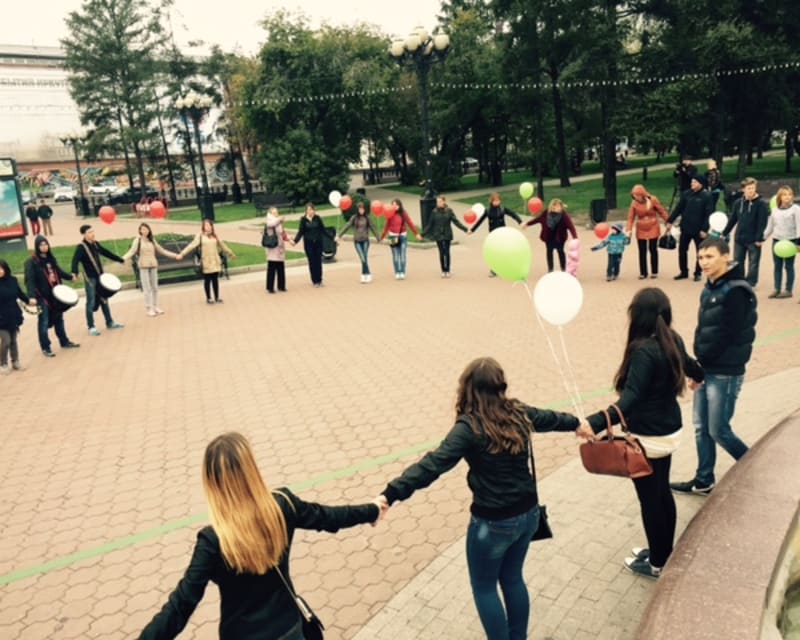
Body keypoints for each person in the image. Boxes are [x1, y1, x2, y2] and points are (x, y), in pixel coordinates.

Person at [377, 357, 580, 640]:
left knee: (484, 588)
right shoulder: (518, 412)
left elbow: (433, 464)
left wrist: (390, 493)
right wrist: (578, 424)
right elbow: (550, 418)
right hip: (529, 515)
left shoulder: (469, 427)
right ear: (500, 386)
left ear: (468, 388)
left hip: (493, 524)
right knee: (512, 578)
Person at [139, 432, 383, 640]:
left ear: (211, 484)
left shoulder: (213, 541)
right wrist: (372, 510)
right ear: (251, 470)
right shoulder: (282, 506)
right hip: (289, 629)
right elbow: (329, 517)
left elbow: (181, 605)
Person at [577, 288, 703, 579]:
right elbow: (691, 365)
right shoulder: (672, 338)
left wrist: (594, 423)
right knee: (661, 492)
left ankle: (658, 562)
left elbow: (630, 399)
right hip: (669, 431)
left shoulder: (643, 350)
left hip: (648, 437)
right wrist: (699, 377)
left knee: (651, 500)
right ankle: (664, 553)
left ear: (637, 316)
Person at [671, 237, 757, 496]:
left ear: (725, 256)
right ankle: (704, 479)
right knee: (701, 428)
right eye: (700, 257)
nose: (704, 262)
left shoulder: (737, 291)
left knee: (718, 430)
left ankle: (758, 468)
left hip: (725, 372)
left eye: (709, 256)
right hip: (707, 368)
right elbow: (705, 329)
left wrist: (702, 365)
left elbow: (729, 334)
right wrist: (698, 370)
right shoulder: (710, 288)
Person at [24, 235, 80, 357]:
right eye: (41, 245)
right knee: (44, 321)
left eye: (46, 244)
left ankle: (64, 341)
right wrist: (31, 296)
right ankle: (46, 347)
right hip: (42, 297)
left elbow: (59, 272)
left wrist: (70, 277)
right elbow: (29, 280)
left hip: (55, 294)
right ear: (37, 247)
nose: (44, 247)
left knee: (59, 319)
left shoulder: (51, 259)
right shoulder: (32, 262)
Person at [71, 224, 125, 335]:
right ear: (84, 234)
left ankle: (110, 322)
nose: (92, 234)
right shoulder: (81, 247)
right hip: (90, 279)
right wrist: (74, 273)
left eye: (93, 231)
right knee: (90, 302)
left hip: (100, 277)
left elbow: (106, 252)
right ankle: (91, 327)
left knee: (104, 299)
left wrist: (119, 259)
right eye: (89, 232)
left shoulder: (95, 244)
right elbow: (75, 261)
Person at [721, 177, 769, 287]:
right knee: (738, 261)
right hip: (739, 238)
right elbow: (733, 220)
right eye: (749, 188)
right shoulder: (738, 203)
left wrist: (759, 238)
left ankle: (751, 282)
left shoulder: (761, 204)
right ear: (743, 189)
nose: (751, 190)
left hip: (753, 239)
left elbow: (762, 223)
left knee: (753, 262)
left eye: (753, 188)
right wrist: (724, 233)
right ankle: (740, 280)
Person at [122, 223, 178, 316]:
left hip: (153, 265)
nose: (145, 231)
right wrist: (122, 259)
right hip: (143, 265)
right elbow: (131, 251)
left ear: (149, 230)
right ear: (140, 231)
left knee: (155, 287)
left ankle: (155, 306)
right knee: (147, 288)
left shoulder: (152, 240)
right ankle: (149, 308)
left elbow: (162, 250)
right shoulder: (137, 240)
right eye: (143, 229)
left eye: (146, 229)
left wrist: (175, 255)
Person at [177, 219, 236, 304]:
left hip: (214, 260)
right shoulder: (200, 236)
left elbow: (223, 245)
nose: (208, 227)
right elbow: (191, 245)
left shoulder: (214, 235)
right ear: (203, 227)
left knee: (215, 279)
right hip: (206, 261)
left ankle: (217, 297)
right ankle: (209, 298)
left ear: (212, 226)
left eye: (209, 225)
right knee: (207, 280)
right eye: (206, 225)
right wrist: (182, 254)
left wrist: (231, 253)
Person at [667, 176, 712, 281]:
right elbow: (678, 208)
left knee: (700, 252)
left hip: (699, 229)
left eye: (694, 182)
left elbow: (708, 214)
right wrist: (670, 221)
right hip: (685, 227)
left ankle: (698, 273)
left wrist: (704, 229)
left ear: (700, 184)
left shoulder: (706, 196)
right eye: (692, 182)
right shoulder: (686, 194)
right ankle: (683, 272)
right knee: (682, 250)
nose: (692, 184)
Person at [471, 193, 522, 276]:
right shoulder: (488, 210)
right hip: (493, 234)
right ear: (491, 201)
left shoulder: (502, 209)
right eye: (495, 201)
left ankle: (504, 267)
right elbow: (480, 220)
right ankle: (493, 269)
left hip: (502, 233)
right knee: (494, 252)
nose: (497, 202)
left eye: (498, 200)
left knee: (503, 251)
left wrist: (520, 222)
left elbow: (513, 214)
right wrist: (472, 230)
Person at [521, 198, 578, 272]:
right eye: (554, 206)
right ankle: (550, 269)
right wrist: (527, 224)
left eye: (558, 206)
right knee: (549, 251)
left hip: (560, 237)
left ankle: (563, 269)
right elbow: (538, 219)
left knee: (560, 251)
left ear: (561, 207)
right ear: (551, 206)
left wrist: (575, 237)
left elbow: (571, 226)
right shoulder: (546, 213)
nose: (556, 207)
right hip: (549, 236)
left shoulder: (563, 215)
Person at [763, 186, 800, 299]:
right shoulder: (775, 210)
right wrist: (762, 238)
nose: (787, 197)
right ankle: (777, 289)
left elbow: (799, 225)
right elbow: (770, 227)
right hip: (777, 241)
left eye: (789, 194)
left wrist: (798, 241)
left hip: (790, 241)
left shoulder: (796, 209)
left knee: (789, 266)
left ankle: (788, 290)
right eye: (784, 195)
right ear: (780, 197)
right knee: (777, 266)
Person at [626, 184, 669, 279]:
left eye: (637, 195)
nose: (636, 197)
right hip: (641, 227)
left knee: (653, 249)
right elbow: (630, 218)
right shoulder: (634, 203)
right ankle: (643, 272)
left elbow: (661, 211)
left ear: (642, 194)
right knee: (642, 250)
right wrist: (628, 230)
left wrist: (668, 221)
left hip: (653, 225)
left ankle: (654, 271)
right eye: (634, 196)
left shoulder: (653, 200)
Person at [423, 195, 471, 277]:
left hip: (447, 233)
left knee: (447, 252)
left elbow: (456, 222)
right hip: (438, 234)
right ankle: (443, 270)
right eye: (437, 202)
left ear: (444, 202)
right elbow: (430, 225)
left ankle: (448, 270)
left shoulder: (449, 211)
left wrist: (466, 229)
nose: (438, 203)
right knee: (441, 252)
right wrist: (422, 234)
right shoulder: (434, 212)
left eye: (440, 201)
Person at [0, 259, 32, 373]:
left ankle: (15, 362)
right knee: (6, 340)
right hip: (1, 317)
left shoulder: (13, 280)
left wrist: (28, 300)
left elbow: (19, 293)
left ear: (5, 268)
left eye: (1, 268)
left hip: (13, 314)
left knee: (13, 340)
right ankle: (3, 364)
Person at [336, 201, 381, 283]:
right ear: (357, 210)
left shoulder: (367, 218)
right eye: (360, 209)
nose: (361, 211)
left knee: (364, 257)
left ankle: (364, 275)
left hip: (365, 241)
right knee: (362, 258)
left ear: (364, 209)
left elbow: (373, 227)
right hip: (357, 241)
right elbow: (347, 226)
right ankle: (367, 274)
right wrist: (339, 235)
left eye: (362, 209)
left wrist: (378, 237)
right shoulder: (354, 218)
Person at [379, 198, 422, 280]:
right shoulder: (390, 214)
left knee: (402, 255)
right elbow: (386, 226)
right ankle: (397, 272)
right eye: (393, 205)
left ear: (399, 205)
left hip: (402, 236)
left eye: (396, 205)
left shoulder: (404, 213)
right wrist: (382, 237)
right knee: (395, 256)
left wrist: (416, 233)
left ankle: (402, 272)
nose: (395, 206)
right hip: (393, 237)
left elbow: (410, 223)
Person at [290, 203, 326, 287]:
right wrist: (295, 241)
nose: (310, 211)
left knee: (318, 261)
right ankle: (315, 281)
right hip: (309, 244)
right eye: (308, 210)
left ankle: (320, 279)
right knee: (312, 262)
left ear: (314, 210)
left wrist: (333, 238)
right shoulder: (303, 220)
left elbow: (323, 230)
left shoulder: (317, 218)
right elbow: (300, 232)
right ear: (306, 211)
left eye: (311, 209)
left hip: (318, 243)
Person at [264, 207, 289, 293]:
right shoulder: (269, 221)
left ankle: (281, 286)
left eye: (277, 212)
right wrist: (279, 219)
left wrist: (288, 239)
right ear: (270, 214)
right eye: (274, 213)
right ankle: (270, 287)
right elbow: (271, 224)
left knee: (280, 267)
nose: (276, 214)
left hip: (280, 247)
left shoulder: (278, 222)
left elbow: (282, 233)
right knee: (272, 267)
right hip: (272, 247)